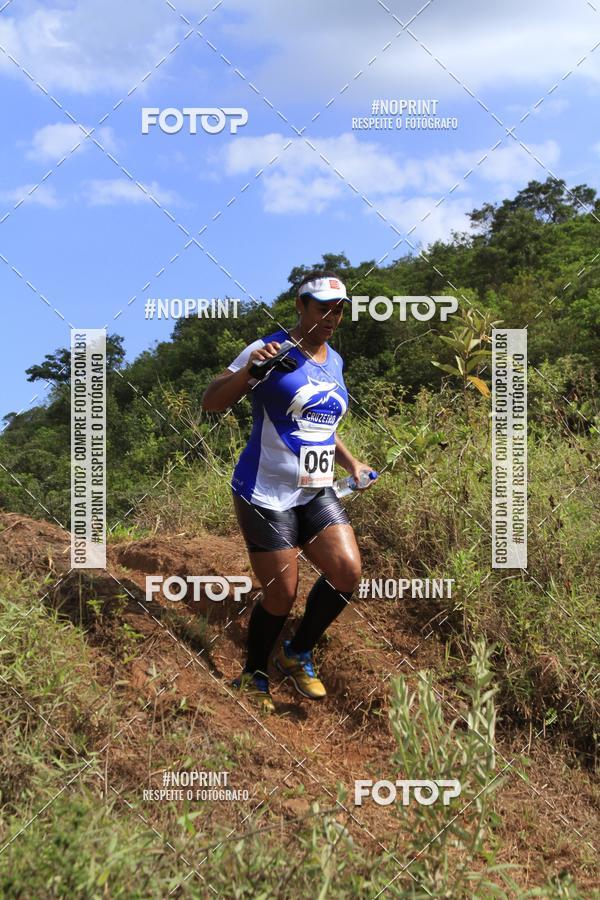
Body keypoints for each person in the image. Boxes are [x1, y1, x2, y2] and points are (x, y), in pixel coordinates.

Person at [201, 270, 376, 712]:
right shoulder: (270, 347)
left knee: (347, 571)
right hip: (264, 491)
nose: (332, 317)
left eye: (339, 310)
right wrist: (251, 373)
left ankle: (296, 652)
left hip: (315, 489)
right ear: (300, 306)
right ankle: (253, 672)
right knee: (281, 593)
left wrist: (351, 462)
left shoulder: (333, 361)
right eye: (323, 308)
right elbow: (211, 401)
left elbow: (320, 425)